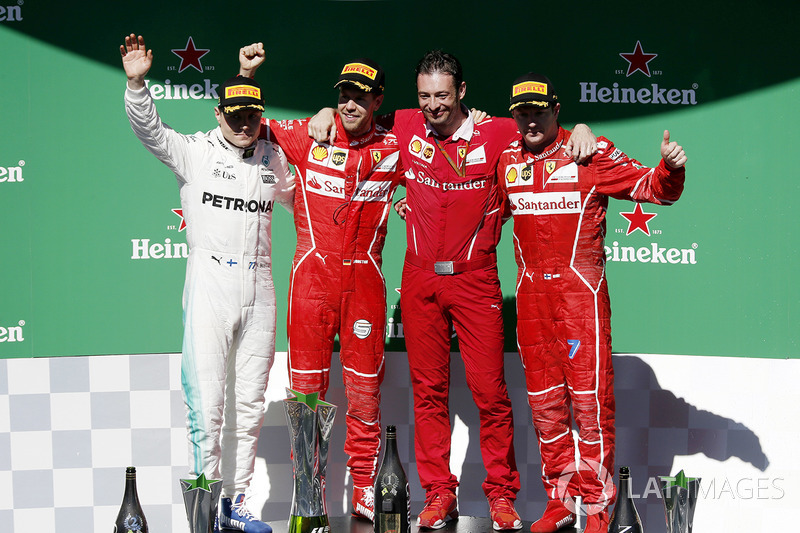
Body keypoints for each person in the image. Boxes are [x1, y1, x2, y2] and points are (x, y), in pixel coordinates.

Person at [313, 51, 595, 531]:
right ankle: (439, 493)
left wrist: (584, 128)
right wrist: (323, 112)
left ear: (462, 92)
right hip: (420, 278)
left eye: (442, 95)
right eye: (424, 96)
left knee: (491, 394)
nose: (433, 106)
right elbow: (353, 120)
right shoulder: (404, 125)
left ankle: (501, 496)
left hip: (476, 278)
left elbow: (545, 131)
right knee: (428, 393)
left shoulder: (499, 131)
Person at [497, 73, 687, 533]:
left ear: (556, 109)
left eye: (538, 110)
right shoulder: (505, 159)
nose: (529, 120)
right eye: (522, 112)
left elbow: (654, 189)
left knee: (590, 405)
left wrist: (671, 168)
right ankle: (561, 503)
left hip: (580, 298)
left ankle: (599, 508)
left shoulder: (590, 151)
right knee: (545, 405)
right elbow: (481, 211)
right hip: (531, 300)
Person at [121, 35, 294, 533]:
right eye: (234, 115)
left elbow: (309, 202)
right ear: (218, 114)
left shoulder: (273, 159)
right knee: (208, 405)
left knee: (249, 405)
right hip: (210, 284)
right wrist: (136, 85)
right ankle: (205, 511)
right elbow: (151, 131)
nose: (244, 123)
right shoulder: (194, 152)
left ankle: (236, 506)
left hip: (259, 285)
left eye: (252, 116)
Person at [237, 44, 404, 522]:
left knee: (366, 392)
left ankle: (367, 489)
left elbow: (453, 141)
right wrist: (246, 72)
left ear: (378, 101)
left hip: (366, 284)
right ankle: (309, 493)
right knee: (307, 394)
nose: (349, 104)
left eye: (360, 96)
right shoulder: (310, 135)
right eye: (343, 95)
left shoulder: (395, 147)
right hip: (312, 282)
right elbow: (245, 123)